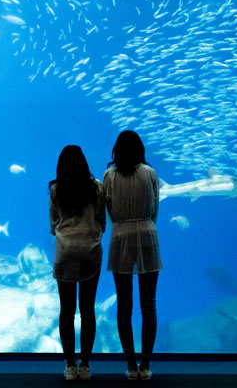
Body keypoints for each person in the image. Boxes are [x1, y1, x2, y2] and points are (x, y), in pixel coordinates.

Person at [103, 130, 161, 381]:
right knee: (148, 305)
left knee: (124, 306)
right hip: (148, 232)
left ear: (117, 150)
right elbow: (155, 207)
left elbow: (109, 209)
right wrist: (146, 224)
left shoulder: (109, 175)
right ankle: (145, 365)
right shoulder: (150, 173)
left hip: (121, 235)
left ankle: (130, 365)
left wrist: (122, 225)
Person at [49, 145, 106, 381]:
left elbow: (53, 225)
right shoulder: (97, 188)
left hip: (64, 252)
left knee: (66, 311)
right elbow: (102, 220)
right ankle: (85, 365)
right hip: (89, 251)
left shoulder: (56, 190)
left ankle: (70, 366)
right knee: (88, 310)